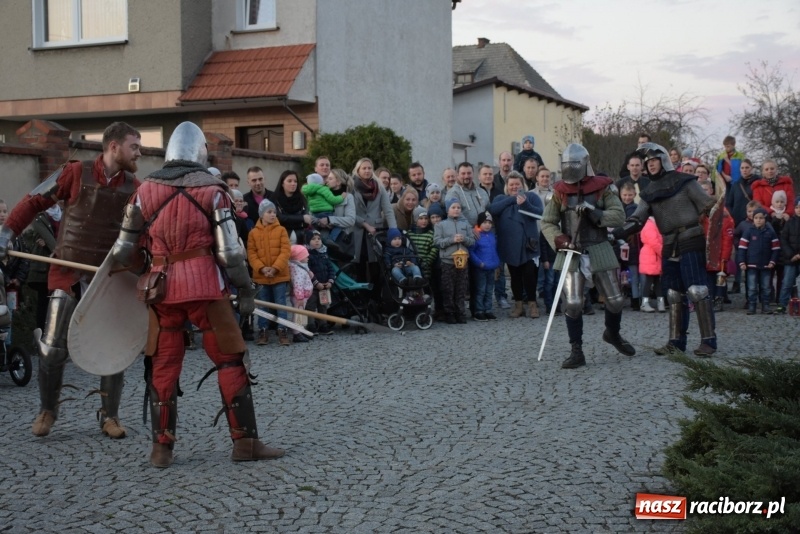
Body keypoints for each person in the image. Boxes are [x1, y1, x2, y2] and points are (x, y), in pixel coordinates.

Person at [110, 121, 283, 467]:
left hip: (161, 292)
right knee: (230, 360)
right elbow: (230, 253)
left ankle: (161, 450)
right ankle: (245, 444)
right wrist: (245, 289)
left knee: (163, 364)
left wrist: (149, 266)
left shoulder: (144, 192)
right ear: (201, 153)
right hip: (206, 289)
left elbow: (122, 252)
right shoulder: (213, 191)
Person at [0, 121, 141, 438]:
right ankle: (47, 410)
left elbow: (146, 230)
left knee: (113, 346)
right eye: (134, 146)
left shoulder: (136, 187)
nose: (139, 153)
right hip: (67, 272)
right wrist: (6, 233)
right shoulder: (74, 172)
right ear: (114, 146)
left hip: (107, 279)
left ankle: (110, 416)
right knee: (52, 347)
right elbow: (34, 201)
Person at [616, 142, 718, 357]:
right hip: (669, 242)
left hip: (691, 237)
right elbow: (637, 220)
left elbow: (709, 206)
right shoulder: (649, 192)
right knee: (673, 294)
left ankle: (708, 341)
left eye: (654, 160)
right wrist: (616, 233)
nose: (651, 165)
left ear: (663, 160)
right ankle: (676, 342)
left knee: (697, 290)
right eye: (648, 163)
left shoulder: (686, 182)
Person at [541, 143, 635, 369]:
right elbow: (547, 222)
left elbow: (619, 216)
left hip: (599, 247)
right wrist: (560, 239)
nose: (571, 168)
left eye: (575, 164)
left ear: (584, 164)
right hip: (572, 250)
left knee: (615, 300)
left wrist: (595, 212)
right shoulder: (559, 191)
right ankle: (577, 351)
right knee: (573, 303)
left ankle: (612, 333)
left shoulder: (603, 187)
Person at [489, 172, 544, 319]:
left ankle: (532, 304)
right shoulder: (501, 198)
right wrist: (512, 200)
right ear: (507, 186)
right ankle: (518, 305)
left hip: (528, 245)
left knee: (529, 275)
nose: (514, 187)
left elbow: (540, 213)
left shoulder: (531, 197)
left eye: (517, 184)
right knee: (515, 276)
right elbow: (493, 209)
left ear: (522, 185)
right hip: (509, 245)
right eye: (511, 184)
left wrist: (524, 203)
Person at [248, 198, 292, 347]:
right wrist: (261, 268)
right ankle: (263, 330)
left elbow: (285, 251)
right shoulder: (253, 233)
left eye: (274, 212)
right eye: (269, 212)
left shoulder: (281, 230)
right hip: (261, 276)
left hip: (279, 274)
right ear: (262, 214)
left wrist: (275, 268)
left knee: (281, 303)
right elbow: (251, 254)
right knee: (263, 304)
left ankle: (282, 330)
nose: (273, 214)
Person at [351, 157, 397, 288]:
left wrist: (394, 230)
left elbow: (388, 210)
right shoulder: (351, 186)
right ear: (358, 170)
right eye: (364, 168)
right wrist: (363, 223)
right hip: (357, 230)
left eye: (369, 168)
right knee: (359, 265)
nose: (367, 170)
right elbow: (349, 212)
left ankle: (375, 296)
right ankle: (361, 295)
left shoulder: (379, 186)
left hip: (375, 231)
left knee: (375, 266)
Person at [434, 198, 475, 324]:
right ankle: (449, 312)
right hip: (448, 261)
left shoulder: (465, 225)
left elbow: (472, 241)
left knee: (461, 289)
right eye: (453, 207)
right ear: (448, 210)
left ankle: (460, 312)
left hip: (462, 261)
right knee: (448, 289)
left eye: (458, 207)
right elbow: (437, 242)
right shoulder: (441, 225)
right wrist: (451, 240)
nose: (456, 210)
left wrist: (464, 239)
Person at [22, 203, 60, 330]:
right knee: (44, 303)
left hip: (60, 267)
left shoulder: (64, 213)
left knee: (58, 304)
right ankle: (41, 335)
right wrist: (53, 247)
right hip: (44, 268)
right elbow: (51, 242)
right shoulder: (39, 215)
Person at [698, 180, 734, 312]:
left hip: (719, 254)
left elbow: (727, 238)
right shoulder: (702, 218)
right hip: (707, 253)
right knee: (709, 278)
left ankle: (719, 299)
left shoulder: (724, 216)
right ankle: (710, 299)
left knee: (720, 278)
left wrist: (725, 256)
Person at [737, 208, 780, 314]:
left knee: (766, 287)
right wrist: (742, 262)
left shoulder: (770, 232)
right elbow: (742, 248)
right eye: (756, 218)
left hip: (766, 265)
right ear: (753, 219)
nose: (758, 220)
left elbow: (776, 249)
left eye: (761, 218)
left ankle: (765, 306)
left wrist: (772, 261)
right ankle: (752, 306)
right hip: (751, 265)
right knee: (752, 287)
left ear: (765, 219)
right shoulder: (748, 232)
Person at [315, 168, 356, 260]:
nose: (327, 181)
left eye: (330, 178)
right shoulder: (322, 196)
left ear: (338, 182)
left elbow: (351, 220)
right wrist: (320, 222)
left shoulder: (348, 197)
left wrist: (330, 220)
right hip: (320, 239)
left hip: (339, 241)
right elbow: (312, 215)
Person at [468, 211, 501, 321]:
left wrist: (497, 264)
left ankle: (488, 310)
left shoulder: (492, 236)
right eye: (485, 222)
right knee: (480, 290)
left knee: (489, 290)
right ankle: (479, 310)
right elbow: (471, 252)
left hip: (491, 267)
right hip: (481, 268)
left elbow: (494, 251)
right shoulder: (476, 236)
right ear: (479, 223)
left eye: (489, 223)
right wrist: (479, 263)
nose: (487, 225)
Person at [305, 229, 334, 334]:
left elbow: (330, 268)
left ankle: (323, 325)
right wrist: (316, 283)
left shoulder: (324, 254)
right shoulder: (307, 255)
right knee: (311, 306)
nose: (317, 241)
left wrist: (330, 281)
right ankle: (311, 325)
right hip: (312, 287)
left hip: (324, 286)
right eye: (313, 239)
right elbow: (307, 271)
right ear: (308, 241)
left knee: (323, 306)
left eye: (319, 239)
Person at [618, 183, 642, 310]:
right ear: (620, 195)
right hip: (623, 246)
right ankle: (629, 297)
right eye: (625, 195)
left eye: (630, 195)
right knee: (625, 274)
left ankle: (635, 299)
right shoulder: (619, 207)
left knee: (632, 274)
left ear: (634, 195)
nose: (627, 197)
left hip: (632, 246)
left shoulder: (634, 208)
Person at [272, 170, 311, 245]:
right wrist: (301, 218)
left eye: (295, 181)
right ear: (282, 183)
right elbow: (279, 217)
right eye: (289, 181)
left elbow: (307, 220)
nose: (293, 184)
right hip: (281, 238)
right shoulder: (275, 199)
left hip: (300, 238)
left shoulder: (302, 199)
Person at [777, 198, 800, 313]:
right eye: (797, 207)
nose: (799, 210)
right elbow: (783, 240)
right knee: (787, 282)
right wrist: (791, 254)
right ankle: (782, 304)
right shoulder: (790, 222)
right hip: (791, 258)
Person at [288, 244, 314, 343]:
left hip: (303, 297)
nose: (308, 257)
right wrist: (299, 298)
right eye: (305, 256)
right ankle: (297, 333)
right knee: (298, 315)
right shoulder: (297, 269)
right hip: (299, 298)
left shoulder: (301, 266)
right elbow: (298, 284)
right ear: (299, 258)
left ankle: (301, 330)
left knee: (301, 314)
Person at [638, 216, 664, 313]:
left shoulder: (652, 224)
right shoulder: (650, 225)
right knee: (650, 280)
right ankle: (646, 303)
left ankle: (659, 302)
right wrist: (662, 252)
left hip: (653, 255)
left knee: (656, 280)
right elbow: (654, 242)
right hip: (651, 255)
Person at [407, 206, 437, 282]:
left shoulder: (430, 234)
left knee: (424, 283)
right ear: (415, 220)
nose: (424, 221)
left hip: (425, 267)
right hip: (411, 265)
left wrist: (427, 261)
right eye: (421, 218)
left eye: (426, 218)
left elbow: (434, 249)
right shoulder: (409, 233)